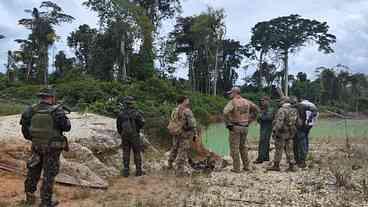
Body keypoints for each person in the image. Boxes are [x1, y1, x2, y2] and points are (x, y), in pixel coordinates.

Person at [20, 86, 71, 207]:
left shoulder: (30, 110)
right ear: (52, 97)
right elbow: (67, 128)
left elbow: (24, 130)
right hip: (52, 148)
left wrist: (34, 139)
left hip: (36, 146)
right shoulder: (57, 111)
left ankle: (29, 197)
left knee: (33, 170)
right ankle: (46, 202)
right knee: (49, 174)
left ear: (40, 97)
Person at [223, 87, 259, 173]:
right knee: (243, 147)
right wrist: (250, 120)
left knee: (234, 148)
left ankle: (236, 168)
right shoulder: (247, 102)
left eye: (231, 93)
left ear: (235, 93)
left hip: (235, 127)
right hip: (245, 126)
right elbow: (256, 110)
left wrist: (228, 124)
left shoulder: (232, 102)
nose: (230, 94)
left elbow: (225, 112)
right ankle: (246, 166)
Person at [167, 96, 197, 176]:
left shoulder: (174, 110)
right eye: (187, 99)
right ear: (184, 101)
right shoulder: (187, 110)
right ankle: (179, 171)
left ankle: (169, 163)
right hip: (184, 133)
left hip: (175, 132)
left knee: (174, 148)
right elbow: (192, 124)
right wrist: (194, 133)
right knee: (183, 151)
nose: (188, 100)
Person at [117, 96, 145, 177]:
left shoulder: (121, 113)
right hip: (135, 134)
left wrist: (122, 133)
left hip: (124, 135)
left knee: (126, 152)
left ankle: (126, 171)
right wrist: (137, 129)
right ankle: (138, 171)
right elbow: (142, 123)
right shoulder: (137, 113)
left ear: (125, 103)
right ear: (132, 103)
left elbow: (118, 126)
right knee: (137, 152)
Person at [267, 96, 298, 172]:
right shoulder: (294, 110)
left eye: (280, 101)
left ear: (283, 101)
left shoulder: (281, 110)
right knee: (290, 149)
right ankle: (292, 165)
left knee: (278, 149)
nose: (279, 102)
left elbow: (279, 122)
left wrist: (274, 130)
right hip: (290, 131)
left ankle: (276, 165)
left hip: (282, 132)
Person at [294, 97, 319, 168]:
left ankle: (302, 160)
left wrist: (307, 120)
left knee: (301, 141)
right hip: (310, 124)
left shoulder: (301, 105)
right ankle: (304, 155)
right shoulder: (311, 104)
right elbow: (316, 112)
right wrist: (310, 120)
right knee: (305, 138)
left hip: (303, 124)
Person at [254, 96, 274, 164]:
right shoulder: (263, 109)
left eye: (263, 101)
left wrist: (261, 116)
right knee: (264, 141)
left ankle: (261, 158)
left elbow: (269, 118)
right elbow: (258, 119)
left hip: (267, 126)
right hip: (263, 126)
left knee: (263, 141)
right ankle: (265, 157)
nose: (261, 102)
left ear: (267, 101)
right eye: (261, 101)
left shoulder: (270, 109)